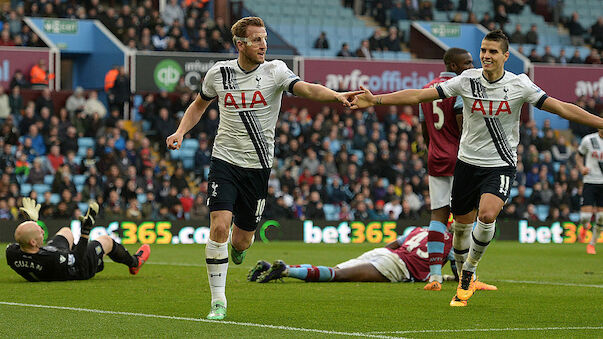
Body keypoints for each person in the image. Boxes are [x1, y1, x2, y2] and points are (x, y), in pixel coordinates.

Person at [350, 30, 603, 306]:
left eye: (493, 51)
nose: (486, 55)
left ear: (506, 56)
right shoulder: (467, 80)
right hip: (467, 164)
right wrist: (375, 100)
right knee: (460, 228)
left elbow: (562, 108)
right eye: (483, 50)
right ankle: (462, 273)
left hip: (500, 165)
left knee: (487, 215)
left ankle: (469, 271)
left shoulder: (520, 85)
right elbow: (420, 95)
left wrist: (599, 123)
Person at [165, 16, 361, 320]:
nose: (263, 45)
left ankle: (238, 247)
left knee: (242, 239)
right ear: (240, 44)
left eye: (265, 38)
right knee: (219, 226)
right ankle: (219, 302)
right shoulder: (220, 74)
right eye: (257, 39)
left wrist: (336, 95)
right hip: (224, 160)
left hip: (257, 166)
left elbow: (305, 88)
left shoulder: (275, 71)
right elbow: (199, 104)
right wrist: (180, 132)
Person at [250, 227, 496, 290]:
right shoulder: (454, 243)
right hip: (397, 266)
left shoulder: (420, 228)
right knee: (337, 276)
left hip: (385, 253)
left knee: (335, 269)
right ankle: (285, 271)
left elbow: (395, 243)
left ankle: (280, 268)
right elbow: (458, 269)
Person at [418, 47, 473, 291]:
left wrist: (433, 150)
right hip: (460, 159)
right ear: (453, 66)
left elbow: (424, 129)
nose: (471, 67)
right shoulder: (461, 87)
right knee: (466, 218)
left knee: (438, 216)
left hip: (436, 158)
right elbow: (464, 127)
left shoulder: (427, 88)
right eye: (467, 63)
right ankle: (467, 276)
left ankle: (435, 276)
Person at [6, 198, 150, 282]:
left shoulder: (11, 253)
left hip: (55, 262)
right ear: (33, 242)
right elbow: (78, 259)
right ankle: (134, 263)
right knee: (106, 240)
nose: (42, 231)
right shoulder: (52, 258)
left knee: (66, 231)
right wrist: (85, 232)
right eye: (39, 231)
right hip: (78, 269)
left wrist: (31, 221)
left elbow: (24, 237)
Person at [576, 122, 603, 254]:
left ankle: (592, 244)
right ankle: (585, 227)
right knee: (586, 216)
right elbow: (578, 156)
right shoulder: (589, 140)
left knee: (601, 217)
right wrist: (581, 168)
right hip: (590, 181)